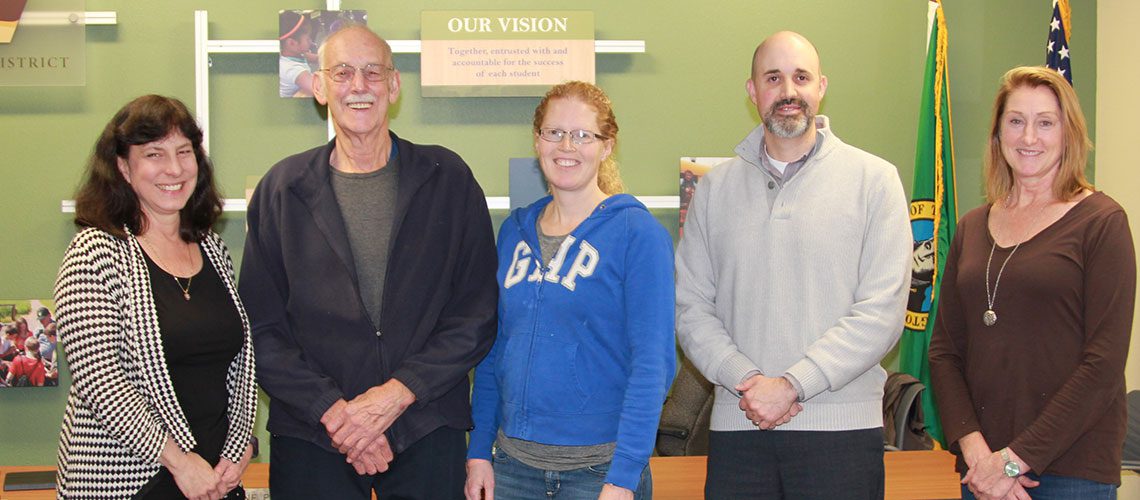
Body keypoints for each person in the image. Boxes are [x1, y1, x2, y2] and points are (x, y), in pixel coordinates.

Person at [241, 24, 498, 499]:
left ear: (394, 85)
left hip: (426, 424)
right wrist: (339, 415)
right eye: (342, 73)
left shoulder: (449, 179)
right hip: (313, 435)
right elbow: (262, 328)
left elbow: (476, 314)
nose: (358, 87)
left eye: (372, 72)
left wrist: (395, 395)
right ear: (319, 87)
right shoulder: (281, 190)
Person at [674, 31, 911, 499]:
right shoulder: (714, 191)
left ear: (821, 86)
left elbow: (881, 311)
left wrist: (792, 385)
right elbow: (691, 309)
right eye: (773, 77)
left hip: (842, 434)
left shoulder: (875, 181)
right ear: (752, 91)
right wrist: (748, 381)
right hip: (739, 432)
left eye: (800, 77)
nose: (788, 91)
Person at [929, 66, 1136, 500]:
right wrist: (978, 453)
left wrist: (1013, 460)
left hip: (1071, 469)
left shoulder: (1102, 222)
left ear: (1069, 134)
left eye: (1046, 123)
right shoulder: (971, 226)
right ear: (998, 133)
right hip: (982, 470)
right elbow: (945, 352)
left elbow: (1102, 366)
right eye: (1016, 121)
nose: (1029, 138)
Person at [465, 82, 677, 500]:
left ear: (606, 145)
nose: (567, 146)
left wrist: (624, 477)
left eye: (583, 135)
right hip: (511, 469)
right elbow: (494, 351)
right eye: (554, 132)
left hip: (600, 474)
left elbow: (653, 364)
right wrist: (478, 452)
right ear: (538, 140)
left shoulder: (638, 234)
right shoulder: (514, 232)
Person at [53, 95, 257, 499]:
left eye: (185, 152)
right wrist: (180, 461)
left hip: (214, 478)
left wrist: (241, 446)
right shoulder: (94, 252)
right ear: (123, 168)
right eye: (154, 154)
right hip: (133, 480)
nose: (175, 168)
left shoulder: (211, 248)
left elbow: (233, 365)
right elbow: (101, 382)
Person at [279, 10, 316, 98]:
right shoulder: (293, 69)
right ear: (292, 43)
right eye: (308, 38)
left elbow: (316, 58)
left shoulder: (294, 53)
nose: (311, 42)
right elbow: (319, 90)